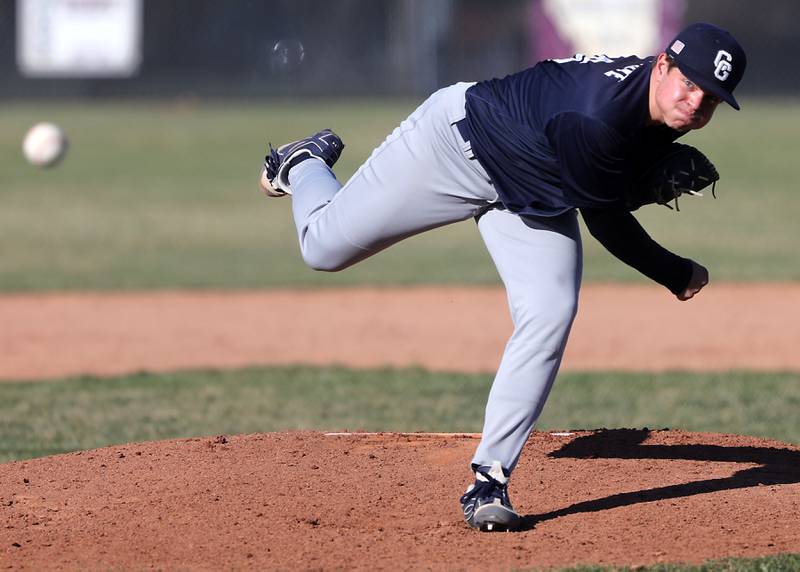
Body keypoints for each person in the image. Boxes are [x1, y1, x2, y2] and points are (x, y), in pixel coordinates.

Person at [258, 22, 746, 532]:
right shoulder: (596, 114)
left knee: (550, 310)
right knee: (322, 247)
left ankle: (489, 479)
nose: (695, 103)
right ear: (662, 63)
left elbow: (603, 174)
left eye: (710, 99)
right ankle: (304, 162)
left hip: (532, 193)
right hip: (454, 146)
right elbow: (606, 222)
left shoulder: (661, 108)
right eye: (689, 84)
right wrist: (676, 272)